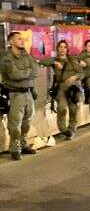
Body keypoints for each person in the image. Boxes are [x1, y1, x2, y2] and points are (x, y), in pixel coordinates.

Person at [0, 32, 39, 160]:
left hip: (28, 93)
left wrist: (25, 72)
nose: (22, 41)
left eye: (22, 39)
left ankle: (23, 144)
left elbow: (36, 70)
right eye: (19, 39)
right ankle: (15, 148)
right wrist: (28, 71)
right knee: (15, 124)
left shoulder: (26, 55)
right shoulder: (7, 58)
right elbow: (15, 75)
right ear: (11, 41)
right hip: (15, 93)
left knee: (27, 121)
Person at [39, 40, 84, 140]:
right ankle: (64, 130)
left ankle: (72, 130)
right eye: (60, 47)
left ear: (67, 49)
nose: (62, 49)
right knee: (62, 108)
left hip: (73, 88)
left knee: (73, 110)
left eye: (64, 47)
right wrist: (54, 62)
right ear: (57, 49)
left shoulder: (72, 60)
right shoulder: (55, 60)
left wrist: (74, 77)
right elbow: (41, 62)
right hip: (62, 88)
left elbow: (82, 73)